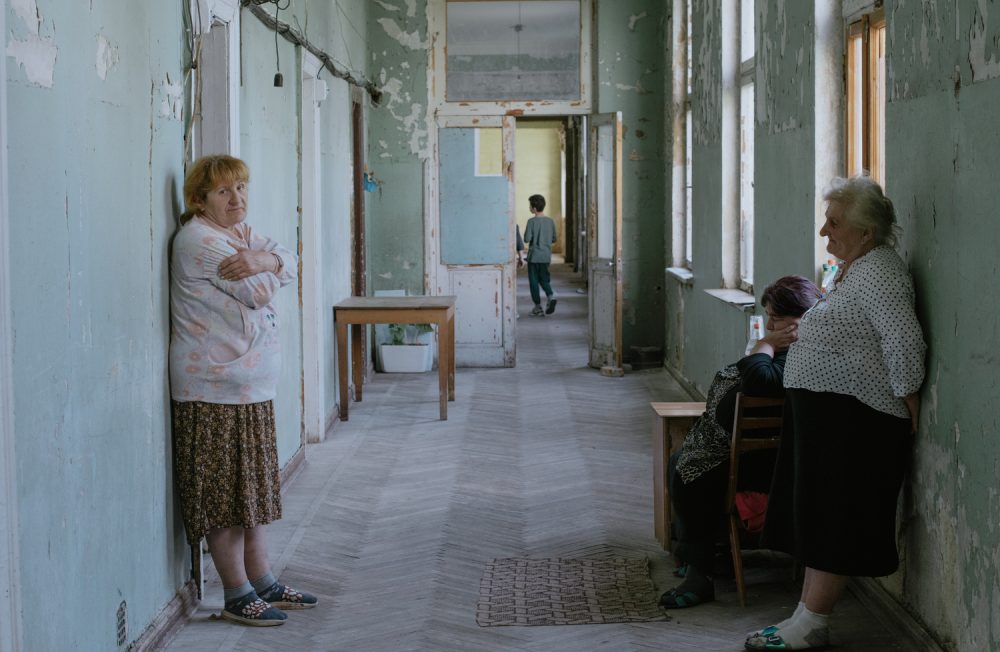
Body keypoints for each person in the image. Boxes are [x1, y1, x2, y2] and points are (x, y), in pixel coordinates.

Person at [745, 176, 925, 651]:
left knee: (837, 520)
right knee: (821, 519)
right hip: (833, 420)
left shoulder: (880, 271)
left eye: (834, 223)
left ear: (866, 232)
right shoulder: (850, 269)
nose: (825, 231)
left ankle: (813, 624)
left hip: (858, 423)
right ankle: (804, 618)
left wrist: (908, 395)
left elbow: (902, 337)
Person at [170, 155, 317, 626]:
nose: (238, 199)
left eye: (242, 188)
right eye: (224, 192)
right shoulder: (199, 241)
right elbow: (260, 292)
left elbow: (290, 261)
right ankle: (236, 593)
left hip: (247, 385)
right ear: (200, 200)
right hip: (213, 387)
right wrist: (269, 266)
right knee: (224, 497)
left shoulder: (241, 235)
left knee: (248, 495)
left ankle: (263, 581)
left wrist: (267, 259)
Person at [659, 276, 822, 610]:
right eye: (769, 317)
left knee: (690, 471)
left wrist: (766, 343)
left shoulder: (800, 355)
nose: (770, 325)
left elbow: (760, 380)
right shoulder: (784, 350)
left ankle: (699, 574)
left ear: (802, 318)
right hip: (745, 450)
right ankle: (699, 553)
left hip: (765, 459)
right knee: (680, 461)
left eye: (776, 318)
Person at [522, 194, 558, 316]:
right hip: (546, 256)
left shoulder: (531, 222)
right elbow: (554, 239)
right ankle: (551, 295)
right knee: (544, 279)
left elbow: (526, 239)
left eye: (530, 206)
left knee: (533, 281)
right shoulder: (550, 221)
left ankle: (538, 307)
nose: (529, 208)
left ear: (534, 208)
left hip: (534, 257)